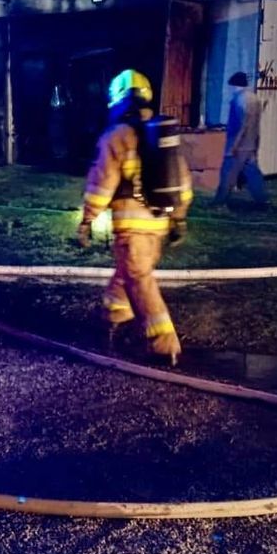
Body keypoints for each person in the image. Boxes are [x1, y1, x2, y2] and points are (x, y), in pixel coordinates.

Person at [77, 69, 192, 363]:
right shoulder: (161, 134)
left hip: (131, 226)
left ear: (116, 100)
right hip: (158, 223)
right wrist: (178, 218)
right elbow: (182, 180)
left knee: (139, 280)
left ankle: (165, 346)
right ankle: (114, 317)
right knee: (129, 272)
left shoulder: (117, 136)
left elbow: (101, 184)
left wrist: (88, 219)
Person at [213, 71, 269, 206]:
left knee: (227, 172)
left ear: (235, 85)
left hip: (238, 145)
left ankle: (220, 201)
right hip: (250, 144)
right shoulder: (255, 99)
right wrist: (256, 144)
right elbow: (255, 125)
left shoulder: (239, 100)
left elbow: (242, 125)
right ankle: (263, 201)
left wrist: (234, 146)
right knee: (253, 173)